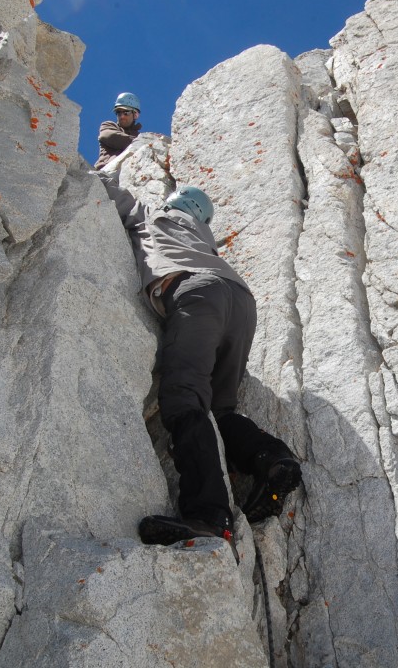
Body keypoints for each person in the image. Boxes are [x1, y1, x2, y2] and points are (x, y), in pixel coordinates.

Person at [101, 177, 302, 547]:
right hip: (241, 301)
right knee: (221, 411)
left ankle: (209, 514)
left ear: (174, 201)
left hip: (196, 294)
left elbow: (108, 191)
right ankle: (273, 460)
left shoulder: (154, 214)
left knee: (183, 397)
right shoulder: (204, 237)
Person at [93, 92, 142, 170]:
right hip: (105, 172)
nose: (122, 116)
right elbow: (111, 137)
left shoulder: (139, 137)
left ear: (135, 115)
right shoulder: (108, 125)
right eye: (118, 112)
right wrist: (142, 142)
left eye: (126, 112)